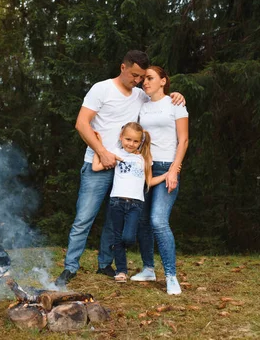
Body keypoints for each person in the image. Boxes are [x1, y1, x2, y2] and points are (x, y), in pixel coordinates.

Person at [55, 50, 184, 286]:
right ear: (122, 67)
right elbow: (81, 123)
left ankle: (105, 264)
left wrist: (176, 95)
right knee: (84, 218)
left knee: (114, 220)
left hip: (126, 168)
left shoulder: (140, 95)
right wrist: (102, 153)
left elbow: (160, 99)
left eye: (142, 77)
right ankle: (70, 268)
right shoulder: (101, 89)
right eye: (134, 75)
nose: (138, 80)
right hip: (98, 163)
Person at [131, 66, 189, 295]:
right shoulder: (141, 106)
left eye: (150, 78)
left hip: (167, 166)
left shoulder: (175, 104)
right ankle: (148, 268)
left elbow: (183, 140)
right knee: (142, 221)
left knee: (158, 220)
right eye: (144, 79)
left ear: (164, 81)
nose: (145, 82)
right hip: (145, 167)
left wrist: (174, 169)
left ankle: (171, 276)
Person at [92, 123, 167, 282]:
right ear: (121, 137)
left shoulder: (144, 158)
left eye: (135, 141)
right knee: (117, 237)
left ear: (140, 142)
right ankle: (121, 271)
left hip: (135, 204)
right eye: (128, 139)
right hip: (116, 202)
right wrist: (97, 147)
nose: (131, 144)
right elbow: (96, 166)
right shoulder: (115, 153)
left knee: (129, 238)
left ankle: (119, 250)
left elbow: (149, 181)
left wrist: (168, 174)